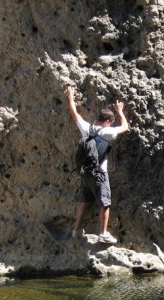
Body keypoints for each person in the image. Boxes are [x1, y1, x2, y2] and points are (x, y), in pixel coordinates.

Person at [65, 86, 129, 243]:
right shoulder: (107, 132)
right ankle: (103, 234)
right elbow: (125, 127)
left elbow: (74, 114)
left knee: (84, 200)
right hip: (99, 173)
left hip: (84, 171)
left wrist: (70, 97)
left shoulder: (86, 128)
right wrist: (120, 112)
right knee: (105, 203)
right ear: (108, 121)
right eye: (111, 123)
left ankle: (77, 230)